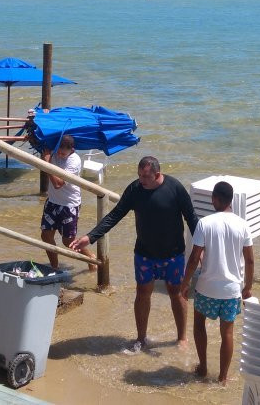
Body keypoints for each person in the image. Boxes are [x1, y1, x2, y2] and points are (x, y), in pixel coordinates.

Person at [70, 155, 198, 353]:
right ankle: (141, 338)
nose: (141, 181)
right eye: (139, 176)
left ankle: (182, 338)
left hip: (173, 254)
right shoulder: (135, 190)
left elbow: (192, 219)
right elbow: (115, 215)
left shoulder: (175, 188)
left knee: (177, 293)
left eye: (145, 177)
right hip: (144, 254)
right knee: (142, 293)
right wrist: (90, 237)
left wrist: (202, 248)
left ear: (157, 174)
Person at [181, 180, 253, 384]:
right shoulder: (242, 224)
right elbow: (249, 259)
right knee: (227, 332)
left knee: (199, 324)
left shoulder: (205, 223)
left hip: (206, 288)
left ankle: (203, 367)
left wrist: (185, 284)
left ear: (215, 199)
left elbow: (195, 258)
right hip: (231, 291)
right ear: (231, 200)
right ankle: (222, 377)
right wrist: (247, 286)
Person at [38, 134, 92, 270]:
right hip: (52, 202)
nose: (60, 154)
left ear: (72, 150)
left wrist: (47, 163)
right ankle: (54, 267)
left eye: (64, 151)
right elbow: (41, 145)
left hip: (69, 204)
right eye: (59, 150)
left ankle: (92, 260)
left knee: (68, 241)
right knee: (46, 236)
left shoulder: (74, 161)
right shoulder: (54, 153)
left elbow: (57, 184)